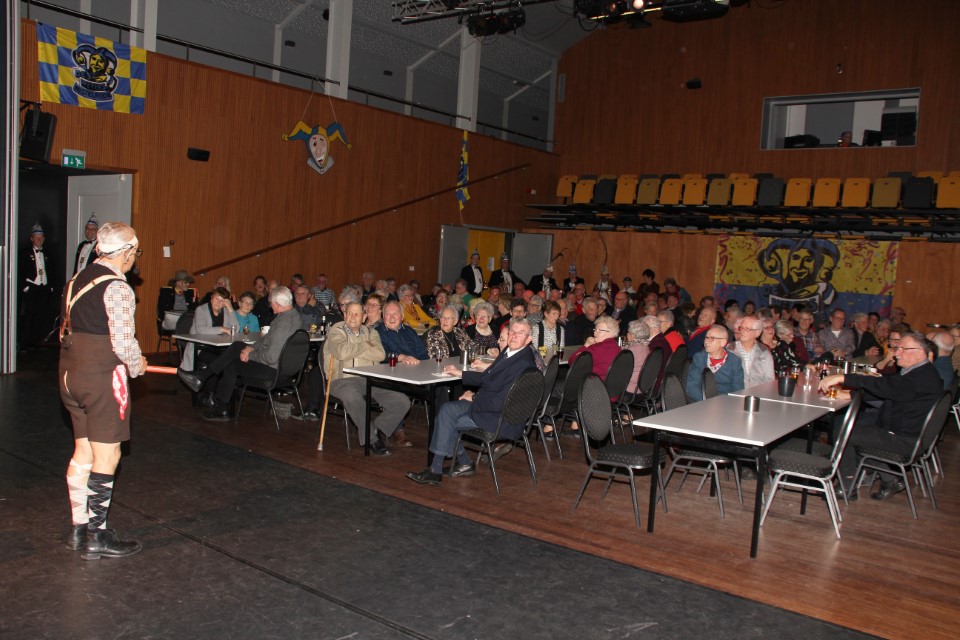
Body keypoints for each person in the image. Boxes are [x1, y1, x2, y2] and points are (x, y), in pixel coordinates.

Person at [59, 221, 146, 560]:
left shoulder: (75, 281)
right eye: (135, 252)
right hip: (100, 376)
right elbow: (123, 343)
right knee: (108, 455)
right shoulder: (118, 288)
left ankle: (78, 529)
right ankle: (97, 535)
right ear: (125, 252)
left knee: (83, 451)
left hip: (70, 374)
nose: (134, 258)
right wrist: (137, 365)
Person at [405, 319, 538, 485]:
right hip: (490, 407)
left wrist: (474, 398)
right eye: (512, 331)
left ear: (529, 339)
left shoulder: (522, 363)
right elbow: (488, 377)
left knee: (448, 420)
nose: (514, 336)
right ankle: (462, 464)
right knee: (446, 410)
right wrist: (460, 373)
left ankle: (437, 469)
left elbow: (502, 401)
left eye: (521, 333)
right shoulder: (510, 352)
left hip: (500, 418)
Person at [819, 332, 943, 500]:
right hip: (902, 427)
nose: (896, 353)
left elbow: (886, 386)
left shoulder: (920, 378)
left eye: (902, 349)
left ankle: (846, 486)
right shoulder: (922, 372)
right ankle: (890, 479)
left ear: (920, 352)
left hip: (903, 438)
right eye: (896, 348)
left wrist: (844, 378)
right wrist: (850, 395)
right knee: (844, 422)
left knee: (845, 432)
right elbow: (892, 389)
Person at [177, 286, 302, 421]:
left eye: (271, 302)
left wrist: (250, 355)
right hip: (284, 368)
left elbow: (270, 357)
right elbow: (266, 339)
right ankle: (201, 377)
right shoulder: (293, 316)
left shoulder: (283, 324)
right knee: (237, 346)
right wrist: (250, 348)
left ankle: (220, 409)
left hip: (274, 370)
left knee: (232, 365)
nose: (270, 306)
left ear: (277, 304)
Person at [326, 301, 410, 455]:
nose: (353, 317)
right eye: (350, 313)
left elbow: (380, 354)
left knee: (402, 401)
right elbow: (342, 352)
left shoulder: (371, 332)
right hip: (342, 380)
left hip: (371, 379)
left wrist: (354, 349)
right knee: (353, 397)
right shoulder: (336, 330)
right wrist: (366, 345)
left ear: (364, 317)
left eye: (357, 314)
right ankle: (372, 440)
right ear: (344, 315)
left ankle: (374, 429)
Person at [180, 286, 239, 372]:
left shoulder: (226, 311)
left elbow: (236, 329)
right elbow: (201, 330)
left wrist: (230, 309)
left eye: (222, 300)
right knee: (218, 362)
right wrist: (222, 329)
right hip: (201, 347)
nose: (218, 302)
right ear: (211, 298)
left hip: (220, 346)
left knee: (233, 360)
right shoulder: (201, 310)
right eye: (216, 298)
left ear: (225, 303)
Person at [20, 222, 58, 349]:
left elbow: (52, 270)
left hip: (44, 288)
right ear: (31, 238)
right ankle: (24, 344)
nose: (39, 240)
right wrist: (25, 287)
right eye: (36, 238)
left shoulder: (47, 253)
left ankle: (36, 342)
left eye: (41, 238)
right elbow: (20, 271)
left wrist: (51, 287)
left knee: (40, 316)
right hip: (32, 287)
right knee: (29, 316)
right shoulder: (24, 253)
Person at [685, 324, 744, 402]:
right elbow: (691, 387)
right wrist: (708, 401)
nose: (706, 341)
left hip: (725, 403)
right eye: (706, 337)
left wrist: (721, 403)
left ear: (723, 342)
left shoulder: (734, 361)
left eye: (712, 338)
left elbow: (738, 390)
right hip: (702, 402)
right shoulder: (699, 358)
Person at [568, 315, 622, 380]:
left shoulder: (596, 349)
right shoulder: (618, 348)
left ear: (611, 332)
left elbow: (572, 362)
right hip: (610, 385)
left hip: (592, 384)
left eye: (600, 330)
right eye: (595, 329)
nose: (595, 333)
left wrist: (586, 345)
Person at [730, 315, 775, 387]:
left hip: (758, 392)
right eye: (741, 328)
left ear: (757, 333)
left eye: (747, 329)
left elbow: (769, 380)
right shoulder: (730, 350)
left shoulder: (764, 352)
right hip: (735, 392)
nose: (742, 331)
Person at [624, 319, 651, 393]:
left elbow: (621, 370)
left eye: (628, 332)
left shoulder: (631, 350)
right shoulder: (646, 347)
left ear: (632, 335)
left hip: (629, 389)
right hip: (643, 388)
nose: (627, 334)